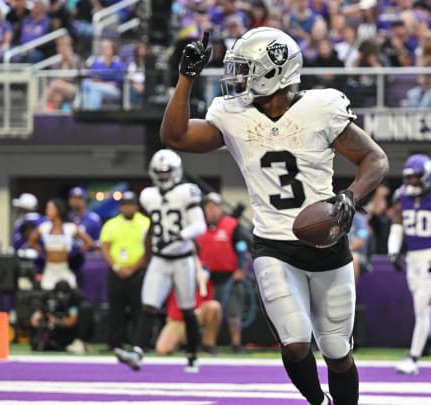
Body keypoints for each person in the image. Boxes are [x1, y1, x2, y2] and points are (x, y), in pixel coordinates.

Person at [159, 28, 389, 404]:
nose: (237, 76)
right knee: (296, 343)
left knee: (337, 353)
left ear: (274, 72)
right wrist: (186, 78)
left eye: (247, 68)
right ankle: (318, 402)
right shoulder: (233, 115)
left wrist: (350, 196)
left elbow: (375, 159)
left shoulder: (321, 108)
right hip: (274, 246)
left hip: (327, 244)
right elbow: (175, 137)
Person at [114, 149, 207, 373]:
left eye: (167, 172)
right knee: (149, 306)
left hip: (182, 258)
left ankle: (192, 355)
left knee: (187, 309)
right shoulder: (148, 195)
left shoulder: (187, 192)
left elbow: (199, 225)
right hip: (160, 258)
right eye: (159, 173)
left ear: (176, 172)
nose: (163, 177)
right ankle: (137, 352)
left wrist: (180, 236)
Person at [388, 154, 431, 375]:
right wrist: (393, 250)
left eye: (416, 178)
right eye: (410, 178)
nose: (412, 182)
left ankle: (413, 359)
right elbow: (398, 226)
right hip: (413, 258)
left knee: (422, 308)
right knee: (428, 310)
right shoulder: (402, 196)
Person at [196, 192, 250, 353]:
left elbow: (241, 248)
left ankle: (236, 343)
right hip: (205, 277)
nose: (213, 210)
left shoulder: (231, 225)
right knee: (209, 311)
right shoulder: (197, 227)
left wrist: (240, 269)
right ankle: (208, 343)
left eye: (216, 206)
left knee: (234, 311)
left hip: (230, 276)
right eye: (209, 207)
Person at [99, 191, 151, 351]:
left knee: (139, 309)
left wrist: (134, 267)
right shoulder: (111, 224)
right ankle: (114, 343)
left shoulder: (146, 223)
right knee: (115, 309)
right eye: (124, 205)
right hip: (116, 271)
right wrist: (116, 267)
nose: (127, 208)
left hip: (138, 270)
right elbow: (105, 248)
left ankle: (139, 344)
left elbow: (149, 248)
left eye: (130, 204)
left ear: (136, 206)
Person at [155, 263, 222, 356]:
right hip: (178, 319)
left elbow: (205, 276)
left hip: (197, 314)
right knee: (162, 349)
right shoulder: (174, 274)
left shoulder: (203, 277)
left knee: (214, 307)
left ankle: (208, 344)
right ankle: (183, 344)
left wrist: (201, 278)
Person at [36, 198, 92, 290]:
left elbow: (88, 242)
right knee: (47, 294)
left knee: (70, 293)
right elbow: (32, 240)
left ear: (58, 209)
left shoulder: (69, 227)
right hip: (49, 268)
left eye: (49, 208)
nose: (46, 211)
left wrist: (76, 255)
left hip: (64, 267)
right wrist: (41, 252)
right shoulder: (44, 227)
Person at [29, 280, 89, 353]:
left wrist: (56, 321)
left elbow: (71, 321)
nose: (61, 297)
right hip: (54, 329)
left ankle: (78, 343)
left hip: (69, 331)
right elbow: (38, 315)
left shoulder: (74, 299)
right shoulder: (49, 297)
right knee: (37, 344)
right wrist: (38, 317)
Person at [66, 187, 102, 276]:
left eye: (79, 198)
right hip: (67, 259)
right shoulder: (65, 218)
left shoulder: (94, 219)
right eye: (74, 198)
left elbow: (98, 245)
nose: (76, 201)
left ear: (85, 200)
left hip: (87, 261)